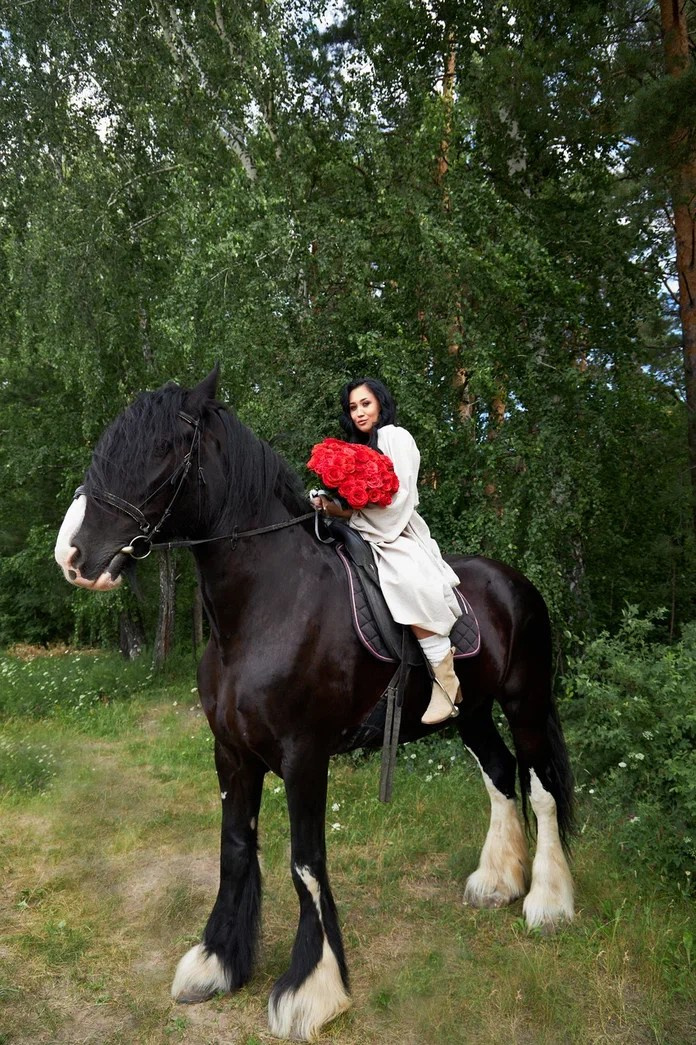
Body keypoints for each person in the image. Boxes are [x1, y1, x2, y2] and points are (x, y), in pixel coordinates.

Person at [312, 378, 463, 725]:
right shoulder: (358, 446)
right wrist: (329, 504)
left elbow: (400, 500)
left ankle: (445, 679)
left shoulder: (396, 437)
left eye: (365, 404)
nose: (360, 412)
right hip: (362, 529)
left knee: (404, 579)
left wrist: (352, 515)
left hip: (395, 531)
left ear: (379, 403)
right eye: (353, 407)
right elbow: (355, 505)